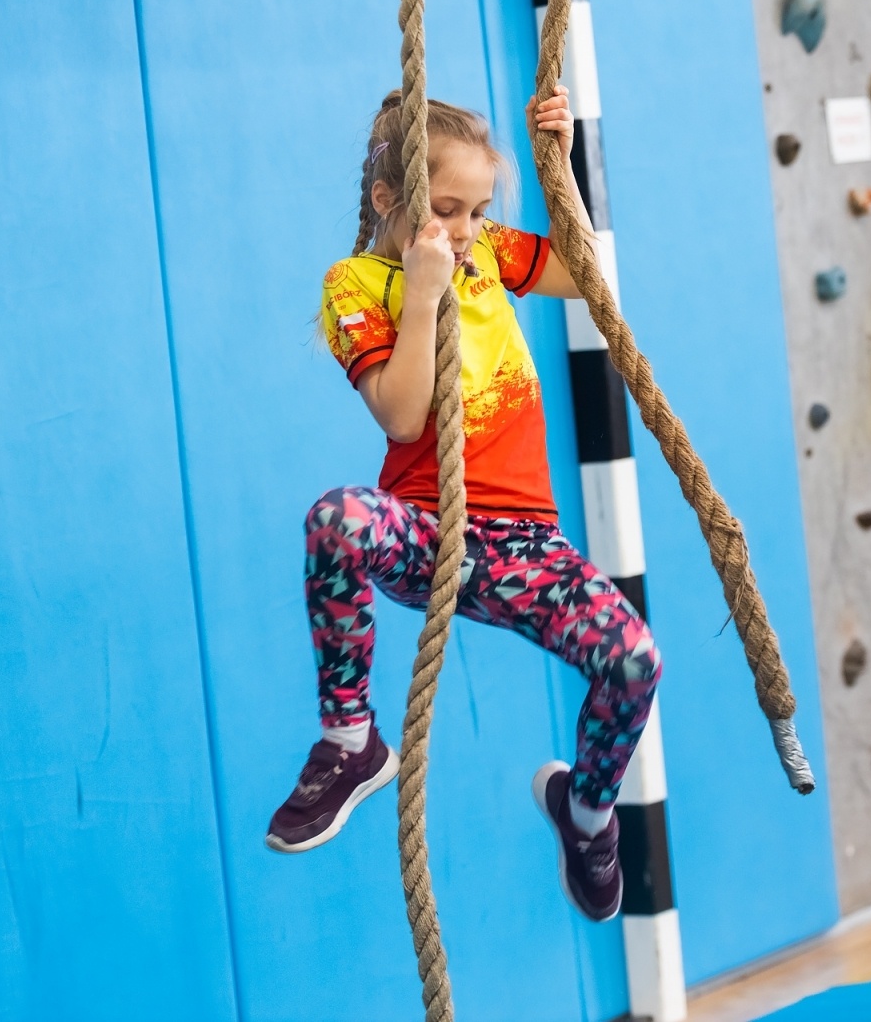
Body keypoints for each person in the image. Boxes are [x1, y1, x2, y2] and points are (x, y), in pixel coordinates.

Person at [265, 84, 663, 923]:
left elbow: (584, 272)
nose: (466, 229)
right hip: (427, 533)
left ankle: (586, 817)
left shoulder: (483, 256)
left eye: (478, 210)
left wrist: (560, 159)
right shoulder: (356, 284)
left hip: (524, 546)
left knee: (633, 661)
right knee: (337, 517)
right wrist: (419, 295)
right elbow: (404, 414)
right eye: (448, 209)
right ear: (390, 200)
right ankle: (350, 741)